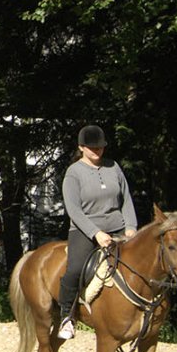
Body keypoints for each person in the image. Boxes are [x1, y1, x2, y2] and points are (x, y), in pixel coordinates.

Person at [56, 124, 138, 340]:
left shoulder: (114, 167)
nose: (97, 151)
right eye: (92, 148)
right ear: (81, 147)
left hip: (117, 226)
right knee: (74, 269)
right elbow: (73, 209)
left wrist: (131, 227)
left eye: (100, 147)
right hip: (85, 230)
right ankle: (67, 316)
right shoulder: (73, 173)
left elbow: (126, 198)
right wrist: (96, 233)